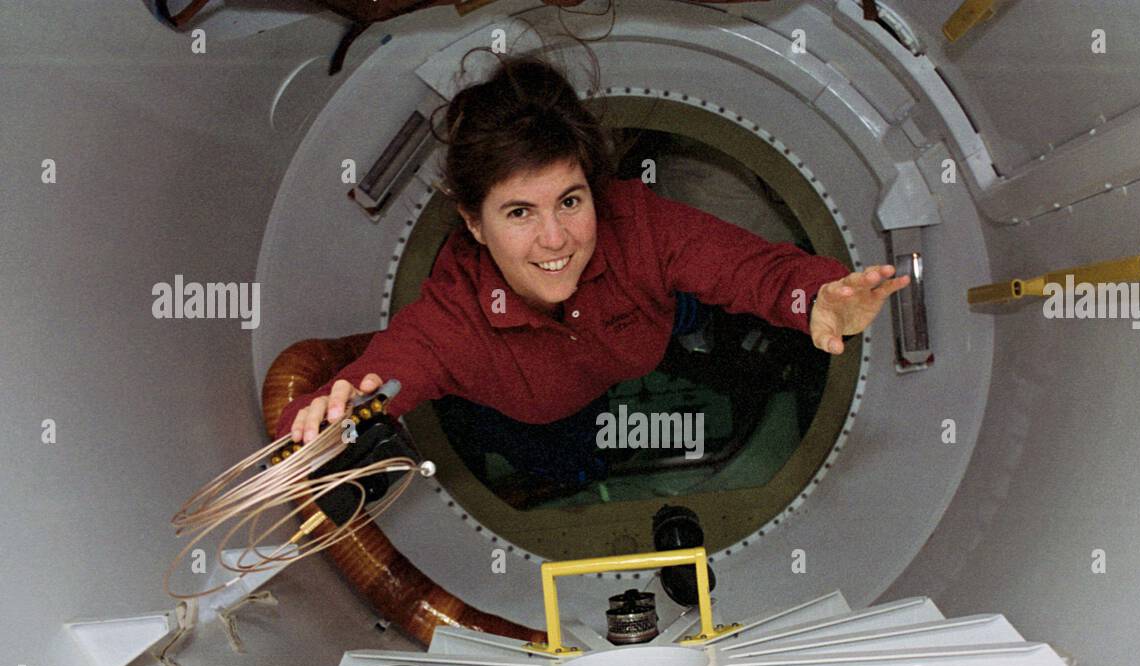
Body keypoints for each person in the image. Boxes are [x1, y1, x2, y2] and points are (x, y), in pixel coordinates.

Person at [276, 53, 910, 491]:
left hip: (642, 326)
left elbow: (750, 270)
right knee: (571, 460)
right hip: (539, 413)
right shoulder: (452, 322)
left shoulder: (636, 225)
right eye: (519, 212)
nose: (556, 240)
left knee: (696, 305)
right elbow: (369, 387)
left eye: (570, 201)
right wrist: (320, 423)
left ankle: (694, 334)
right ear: (473, 222)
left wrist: (814, 300)